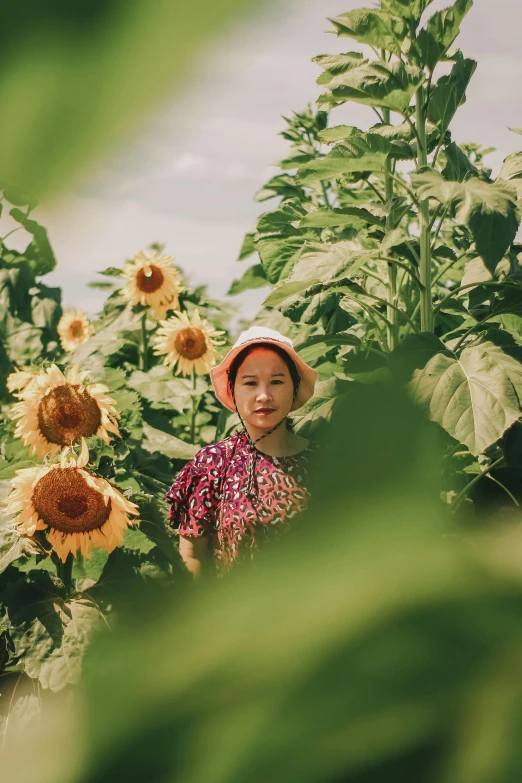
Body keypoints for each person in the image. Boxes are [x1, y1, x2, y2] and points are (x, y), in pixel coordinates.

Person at [165, 326, 318, 577]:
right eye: (250, 383)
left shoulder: (323, 461)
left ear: (294, 388)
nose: (264, 395)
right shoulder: (213, 463)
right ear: (233, 390)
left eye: (277, 381)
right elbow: (192, 557)